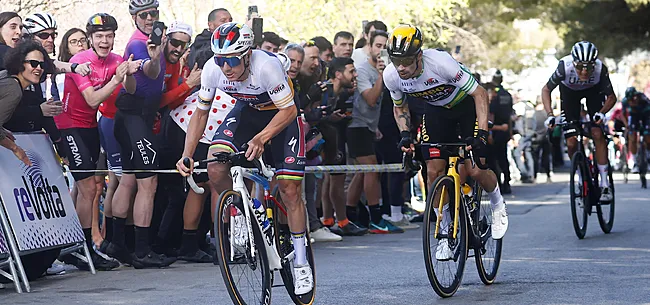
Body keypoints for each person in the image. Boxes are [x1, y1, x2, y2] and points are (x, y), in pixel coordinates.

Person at [176, 22, 313, 295]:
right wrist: (187, 154)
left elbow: (288, 111)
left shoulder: (266, 67)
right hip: (248, 112)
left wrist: (262, 138)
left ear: (248, 55)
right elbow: (200, 114)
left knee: (289, 188)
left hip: (282, 118)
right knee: (216, 165)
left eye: (232, 60)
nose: (226, 67)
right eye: (220, 59)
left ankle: (300, 262)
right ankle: (240, 215)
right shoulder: (214, 70)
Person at [384, 25, 509, 261]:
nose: (401, 67)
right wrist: (405, 134)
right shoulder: (391, 75)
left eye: (407, 60)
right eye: (395, 60)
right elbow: (399, 106)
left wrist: (481, 134)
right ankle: (444, 231)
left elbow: (480, 93)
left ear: (419, 55)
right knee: (433, 172)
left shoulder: (441, 63)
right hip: (437, 112)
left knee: (475, 168)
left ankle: (498, 205)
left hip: (466, 108)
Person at [54, 13, 140, 271]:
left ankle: (75, 247)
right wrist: (116, 78)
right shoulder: (81, 60)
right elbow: (92, 100)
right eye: (99, 36)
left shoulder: (116, 59)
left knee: (86, 189)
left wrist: (129, 74)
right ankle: (85, 247)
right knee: (90, 188)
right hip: (69, 126)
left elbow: (132, 90)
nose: (104, 41)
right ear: (90, 39)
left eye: (109, 36)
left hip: (90, 127)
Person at [542, 41, 617, 201]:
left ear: (594, 65)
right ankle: (579, 173)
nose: (584, 72)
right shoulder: (564, 67)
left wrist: (602, 113)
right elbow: (546, 89)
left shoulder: (600, 69)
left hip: (593, 93)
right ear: (573, 63)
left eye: (588, 67)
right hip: (570, 94)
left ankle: (604, 185)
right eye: (580, 67)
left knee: (597, 133)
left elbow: (611, 97)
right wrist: (549, 114)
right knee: (570, 141)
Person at [0, 40, 51, 165]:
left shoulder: (6, 76)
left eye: (42, 65)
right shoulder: (14, 91)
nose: (39, 68)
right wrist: (16, 149)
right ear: (20, 63)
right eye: (33, 64)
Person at [621, 86, 650, 173]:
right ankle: (634, 161)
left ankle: (648, 155)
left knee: (647, 135)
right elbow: (622, 115)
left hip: (646, 114)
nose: (632, 101)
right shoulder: (625, 101)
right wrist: (626, 125)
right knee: (632, 135)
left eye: (634, 99)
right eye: (630, 100)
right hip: (634, 116)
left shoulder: (643, 98)